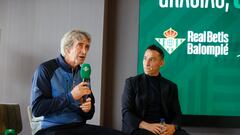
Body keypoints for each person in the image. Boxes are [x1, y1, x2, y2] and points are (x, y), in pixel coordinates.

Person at [30, 29, 125, 135]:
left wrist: (87, 109)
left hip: (77, 127)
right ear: (67, 49)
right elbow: (37, 109)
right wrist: (71, 96)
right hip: (50, 128)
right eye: (80, 45)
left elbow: (89, 113)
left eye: (87, 47)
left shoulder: (83, 73)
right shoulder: (45, 69)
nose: (84, 51)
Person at [121, 45, 189, 135]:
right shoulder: (132, 83)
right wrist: (147, 126)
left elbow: (177, 114)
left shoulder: (171, 86)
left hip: (163, 128)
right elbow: (126, 113)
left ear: (161, 63)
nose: (146, 63)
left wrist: (173, 127)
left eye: (151, 59)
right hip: (140, 128)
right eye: (145, 58)